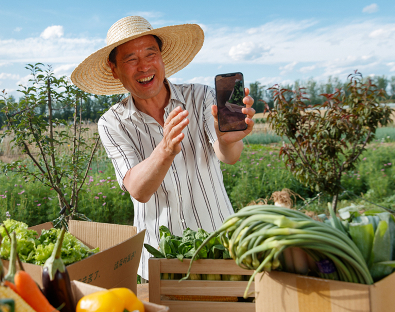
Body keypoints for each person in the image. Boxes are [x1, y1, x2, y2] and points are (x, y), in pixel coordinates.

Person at [71, 16, 256, 280]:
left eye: (150, 54)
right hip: (160, 259)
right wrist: (165, 150)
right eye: (130, 59)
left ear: (162, 58)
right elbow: (138, 189)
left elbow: (229, 157)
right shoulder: (112, 123)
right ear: (114, 69)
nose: (144, 66)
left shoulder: (201, 96)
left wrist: (229, 140)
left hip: (220, 246)